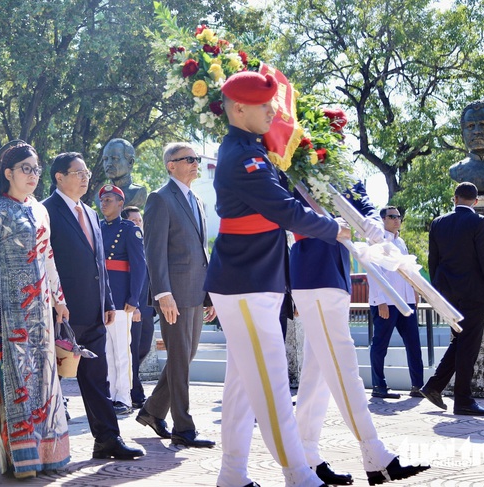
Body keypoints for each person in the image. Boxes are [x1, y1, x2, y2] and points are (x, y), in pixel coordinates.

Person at [203, 71, 347, 487]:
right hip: (246, 282)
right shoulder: (242, 157)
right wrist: (332, 226)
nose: (273, 111)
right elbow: (284, 209)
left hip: (252, 277)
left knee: (244, 385)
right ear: (239, 109)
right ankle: (299, 475)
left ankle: (232, 475)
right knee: (271, 382)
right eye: (264, 105)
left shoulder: (251, 150)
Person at [289, 179, 430, 486]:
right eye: (334, 129)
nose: (340, 133)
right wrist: (333, 224)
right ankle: (373, 451)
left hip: (334, 274)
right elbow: (290, 214)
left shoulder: (335, 167)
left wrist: (371, 224)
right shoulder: (294, 162)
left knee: (319, 375)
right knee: (343, 367)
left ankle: (306, 456)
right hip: (314, 273)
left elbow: (360, 201)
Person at [0, 140, 71, 477]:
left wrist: (59, 298)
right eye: (26, 169)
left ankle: (45, 453)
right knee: (16, 375)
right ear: (8, 172)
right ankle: (20, 457)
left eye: (36, 169)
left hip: (41, 303)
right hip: (10, 302)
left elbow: (48, 256)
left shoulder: (39, 209)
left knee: (43, 375)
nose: (33, 175)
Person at [43, 152, 143, 460]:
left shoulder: (88, 211)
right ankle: (46, 447)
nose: (85, 177)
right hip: (61, 312)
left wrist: (109, 301)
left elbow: (99, 261)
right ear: (59, 177)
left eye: (86, 172)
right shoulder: (45, 211)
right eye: (78, 173)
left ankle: (107, 439)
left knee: (97, 377)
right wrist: (56, 302)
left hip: (95, 311)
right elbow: (45, 261)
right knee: (52, 380)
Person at [136, 142, 216, 449]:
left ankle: (153, 411)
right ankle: (184, 428)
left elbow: (201, 251)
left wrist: (208, 295)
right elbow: (153, 252)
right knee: (180, 360)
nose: (196, 163)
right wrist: (163, 295)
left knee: (186, 357)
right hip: (175, 294)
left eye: (196, 159)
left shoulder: (195, 198)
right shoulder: (160, 199)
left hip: (196, 292)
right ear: (171, 165)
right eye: (189, 159)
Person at [421, 182, 484, 416]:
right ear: (476, 201)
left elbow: (433, 262)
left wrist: (437, 293)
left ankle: (434, 386)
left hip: (448, 295)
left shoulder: (438, 223)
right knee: (467, 345)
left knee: (459, 341)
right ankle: (463, 400)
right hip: (473, 294)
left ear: (455, 198)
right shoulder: (479, 222)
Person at [98, 185, 146, 416]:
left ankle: (124, 397)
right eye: (102, 199)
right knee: (106, 351)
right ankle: (111, 394)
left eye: (109, 199)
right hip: (101, 298)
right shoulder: (96, 228)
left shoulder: (129, 229)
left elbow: (139, 266)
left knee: (121, 351)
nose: (104, 203)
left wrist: (134, 298)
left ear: (120, 204)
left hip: (120, 297)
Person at [367, 206, 424, 399]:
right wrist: (380, 301)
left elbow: (407, 270)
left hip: (405, 302)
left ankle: (418, 386)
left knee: (414, 344)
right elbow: (373, 273)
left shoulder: (400, 242)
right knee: (380, 345)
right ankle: (378, 386)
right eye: (392, 217)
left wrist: (414, 291)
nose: (396, 220)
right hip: (387, 303)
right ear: (383, 219)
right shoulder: (376, 241)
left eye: (399, 216)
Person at [122, 205, 154, 409]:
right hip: (132, 308)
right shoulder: (124, 246)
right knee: (131, 350)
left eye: (139, 221)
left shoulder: (146, 244)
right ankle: (135, 391)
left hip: (148, 307)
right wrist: (134, 306)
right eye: (133, 221)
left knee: (143, 347)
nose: (137, 224)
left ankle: (131, 384)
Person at [101, 139, 147, 208]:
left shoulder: (137, 192)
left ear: (130, 162)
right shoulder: (101, 194)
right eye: (105, 159)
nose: (109, 164)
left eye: (115, 158)